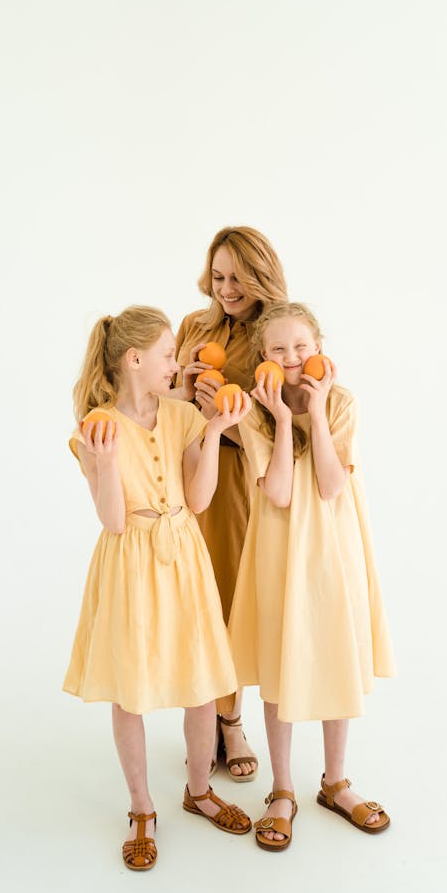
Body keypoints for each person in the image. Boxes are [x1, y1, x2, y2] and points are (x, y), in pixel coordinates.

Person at [63, 306, 254, 871]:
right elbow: (114, 521)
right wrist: (102, 464)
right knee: (132, 686)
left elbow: (198, 500)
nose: (178, 364)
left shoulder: (182, 417)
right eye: (169, 355)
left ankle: (198, 790)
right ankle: (142, 807)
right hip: (131, 561)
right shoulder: (98, 425)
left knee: (200, 681)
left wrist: (216, 428)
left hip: (184, 555)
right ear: (135, 359)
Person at [228, 302, 397, 851]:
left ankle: (335, 782)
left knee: (333, 656)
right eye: (277, 349)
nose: (292, 358)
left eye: (301, 346)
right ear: (262, 359)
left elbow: (328, 484)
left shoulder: (342, 404)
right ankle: (282, 789)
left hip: (333, 547)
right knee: (281, 663)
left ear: (319, 347)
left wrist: (316, 413)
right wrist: (281, 419)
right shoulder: (255, 413)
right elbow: (277, 491)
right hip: (279, 549)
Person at [171, 226, 288, 782]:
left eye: (237, 278)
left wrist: (227, 418)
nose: (226, 289)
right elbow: (160, 403)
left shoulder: (278, 336)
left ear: (261, 276)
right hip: (191, 476)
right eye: (218, 277)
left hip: (244, 481)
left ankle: (232, 720)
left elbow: (290, 431)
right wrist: (182, 390)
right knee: (198, 601)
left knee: (233, 603)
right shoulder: (195, 327)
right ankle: (207, 718)